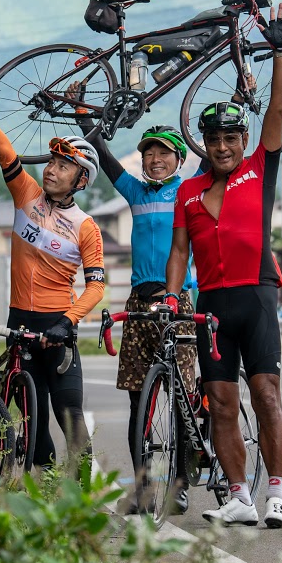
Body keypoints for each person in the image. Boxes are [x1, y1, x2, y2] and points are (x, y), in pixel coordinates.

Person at [164, 3, 282, 528]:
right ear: (204, 143)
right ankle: (239, 496)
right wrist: (174, 298)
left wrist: (281, 51)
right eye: (214, 139)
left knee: (266, 395)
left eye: (230, 138)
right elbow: (179, 253)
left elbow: (278, 111)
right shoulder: (190, 191)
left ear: (242, 142)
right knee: (220, 401)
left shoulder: (259, 170)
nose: (222, 146)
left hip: (257, 295)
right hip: (213, 305)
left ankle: (278, 495)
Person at [0, 73, 105, 470]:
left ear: (81, 179)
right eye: (53, 162)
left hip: (58, 326)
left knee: (68, 414)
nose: (52, 170)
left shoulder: (86, 226)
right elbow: (6, 153)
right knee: (32, 420)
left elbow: (95, 288)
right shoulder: (26, 194)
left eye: (63, 166)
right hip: (19, 321)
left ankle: (82, 492)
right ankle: (39, 495)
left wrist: (70, 320)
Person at [78, 120, 200, 511]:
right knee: (138, 402)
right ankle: (145, 489)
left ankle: (179, 484)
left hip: (176, 303)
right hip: (137, 305)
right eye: (148, 152)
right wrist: (85, 114)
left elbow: (215, 153)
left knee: (181, 398)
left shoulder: (189, 189)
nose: (155, 158)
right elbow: (101, 149)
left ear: (179, 159)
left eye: (164, 152)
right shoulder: (134, 191)